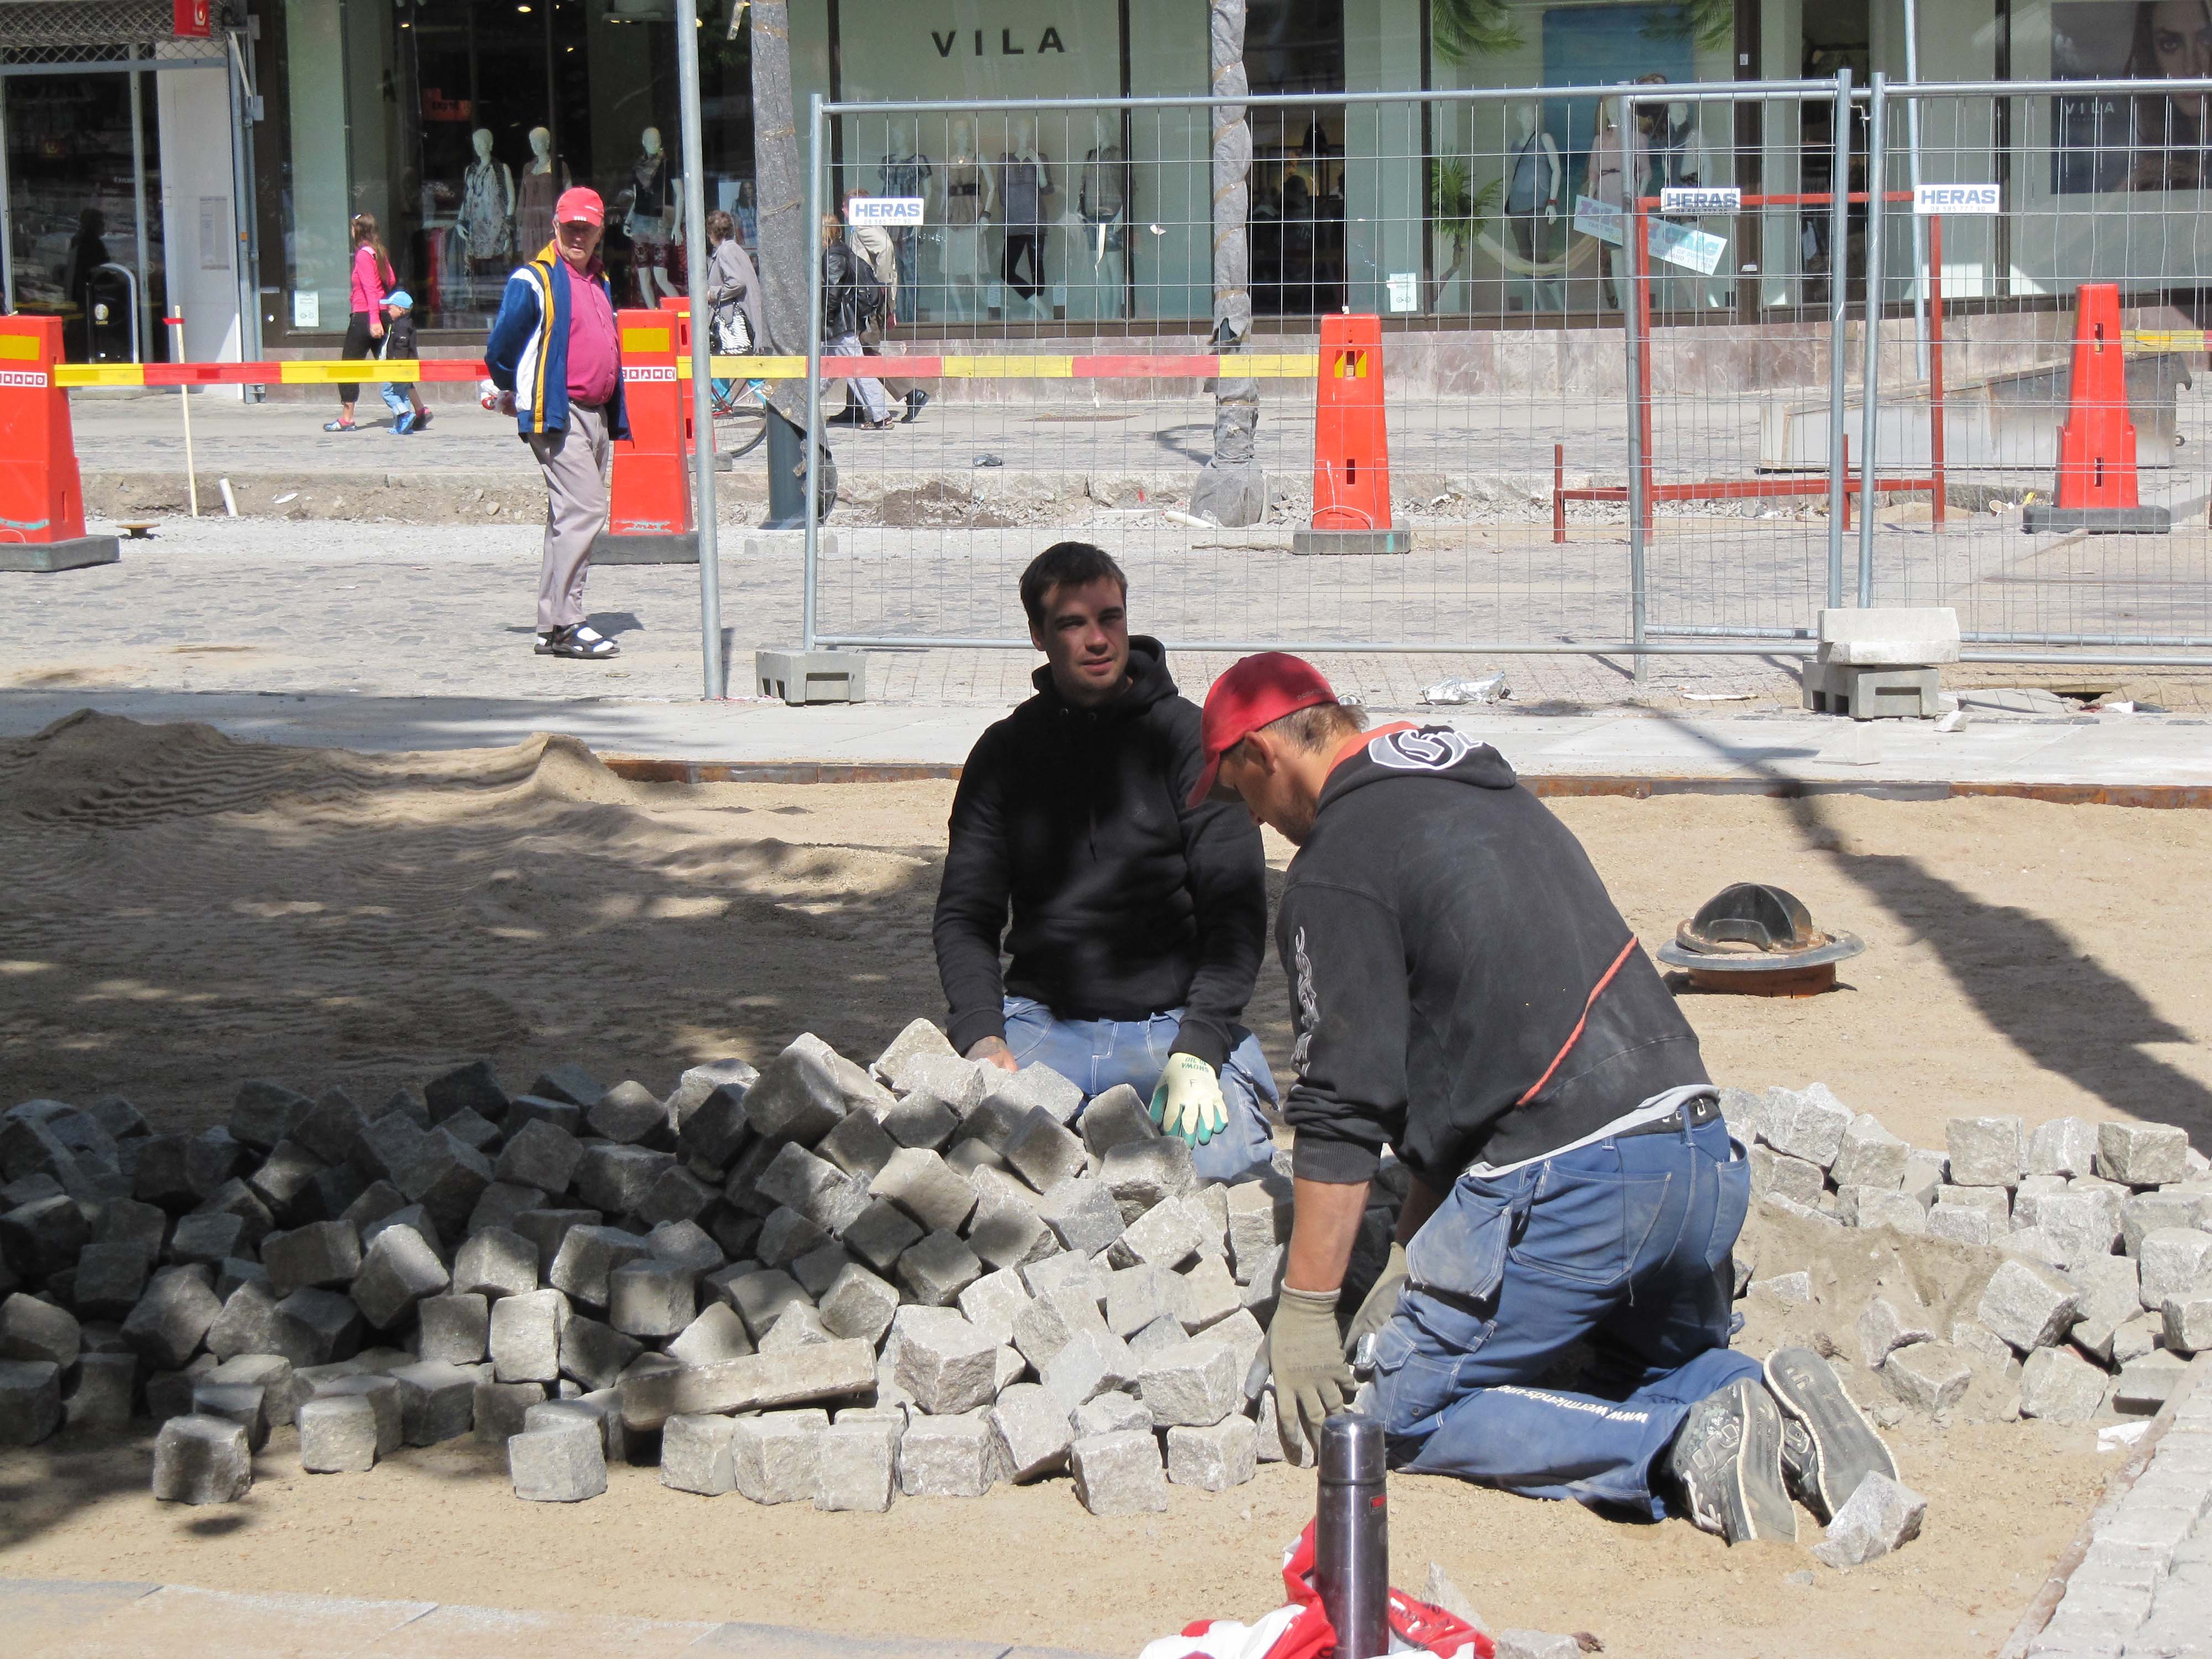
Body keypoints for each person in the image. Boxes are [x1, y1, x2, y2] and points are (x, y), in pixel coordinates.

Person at [1194, 653, 1896, 1543]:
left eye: (1242, 798)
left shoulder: (1339, 864)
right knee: (1599, 1365)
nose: (1258, 822)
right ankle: (1746, 1395)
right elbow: (1477, 1076)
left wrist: (1304, 1310)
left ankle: (1682, 1440)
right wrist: (1413, 1252)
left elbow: (1340, 1104)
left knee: (1402, 1415)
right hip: (1698, 1161)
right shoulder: (1486, 795)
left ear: (1262, 754)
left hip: (1582, 1193)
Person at [931, 542, 1279, 1182]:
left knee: (1227, 1176)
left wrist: (1201, 1047)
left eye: (1110, 618)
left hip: (1169, 1031)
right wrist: (982, 1037)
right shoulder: (1005, 753)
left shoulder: (1188, 740)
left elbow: (1235, 912)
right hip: (1040, 1028)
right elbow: (965, 915)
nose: (1097, 640)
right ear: (1038, 635)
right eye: (1071, 624)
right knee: (965, 1187)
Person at [485, 186, 629, 661]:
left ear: (599, 230)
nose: (577, 235)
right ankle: (570, 622)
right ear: (556, 227)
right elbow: (500, 350)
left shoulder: (599, 280)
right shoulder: (534, 279)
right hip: (558, 413)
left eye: (586, 228)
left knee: (565, 518)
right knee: (585, 511)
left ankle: (550, 626)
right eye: (570, 227)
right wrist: (518, 394)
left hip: (595, 414)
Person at [843, 194, 926, 424]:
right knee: (857, 351)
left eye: (846, 207)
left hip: (868, 302)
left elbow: (886, 249)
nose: (844, 212)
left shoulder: (864, 227)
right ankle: (855, 408)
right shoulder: (869, 227)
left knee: (867, 353)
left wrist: (880, 286)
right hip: (871, 300)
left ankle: (912, 393)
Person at [819, 213, 896, 430]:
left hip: (839, 324)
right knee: (826, 370)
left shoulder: (833, 256)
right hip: (843, 322)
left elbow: (833, 293)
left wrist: (826, 319)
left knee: (856, 370)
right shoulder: (844, 251)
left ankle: (881, 415)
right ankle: (802, 408)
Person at [330, 213, 396, 432]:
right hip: (382, 313)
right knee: (392, 366)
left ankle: (347, 418)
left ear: (359, 230)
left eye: (353, 227)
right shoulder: (380, 251)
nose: (351, 231)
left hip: (365, 316)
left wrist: (374, 320)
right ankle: (418, 409)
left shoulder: (362, 255)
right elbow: (391, 280)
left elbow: (369, 288)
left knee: (349, 367)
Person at [703, 208, 763, 410]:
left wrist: (712, 293)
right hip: (740, 318)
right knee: (748, 367)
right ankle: (771, 404)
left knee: (720, 361)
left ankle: (722, 401)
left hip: (731, 321)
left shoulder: (726, 251)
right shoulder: (735, 249)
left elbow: (736, 283)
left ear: (712, 233)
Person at [375, 289, 432, 436]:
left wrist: (396, 365)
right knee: (403, 395)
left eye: (390, 308)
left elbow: (401, 346)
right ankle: (404, 426)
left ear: (400, 309)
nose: (388, 311)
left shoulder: (402, 326)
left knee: (387, 392)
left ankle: (405, 416)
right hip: (407, 366)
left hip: (399, 366)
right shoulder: (403, 324)